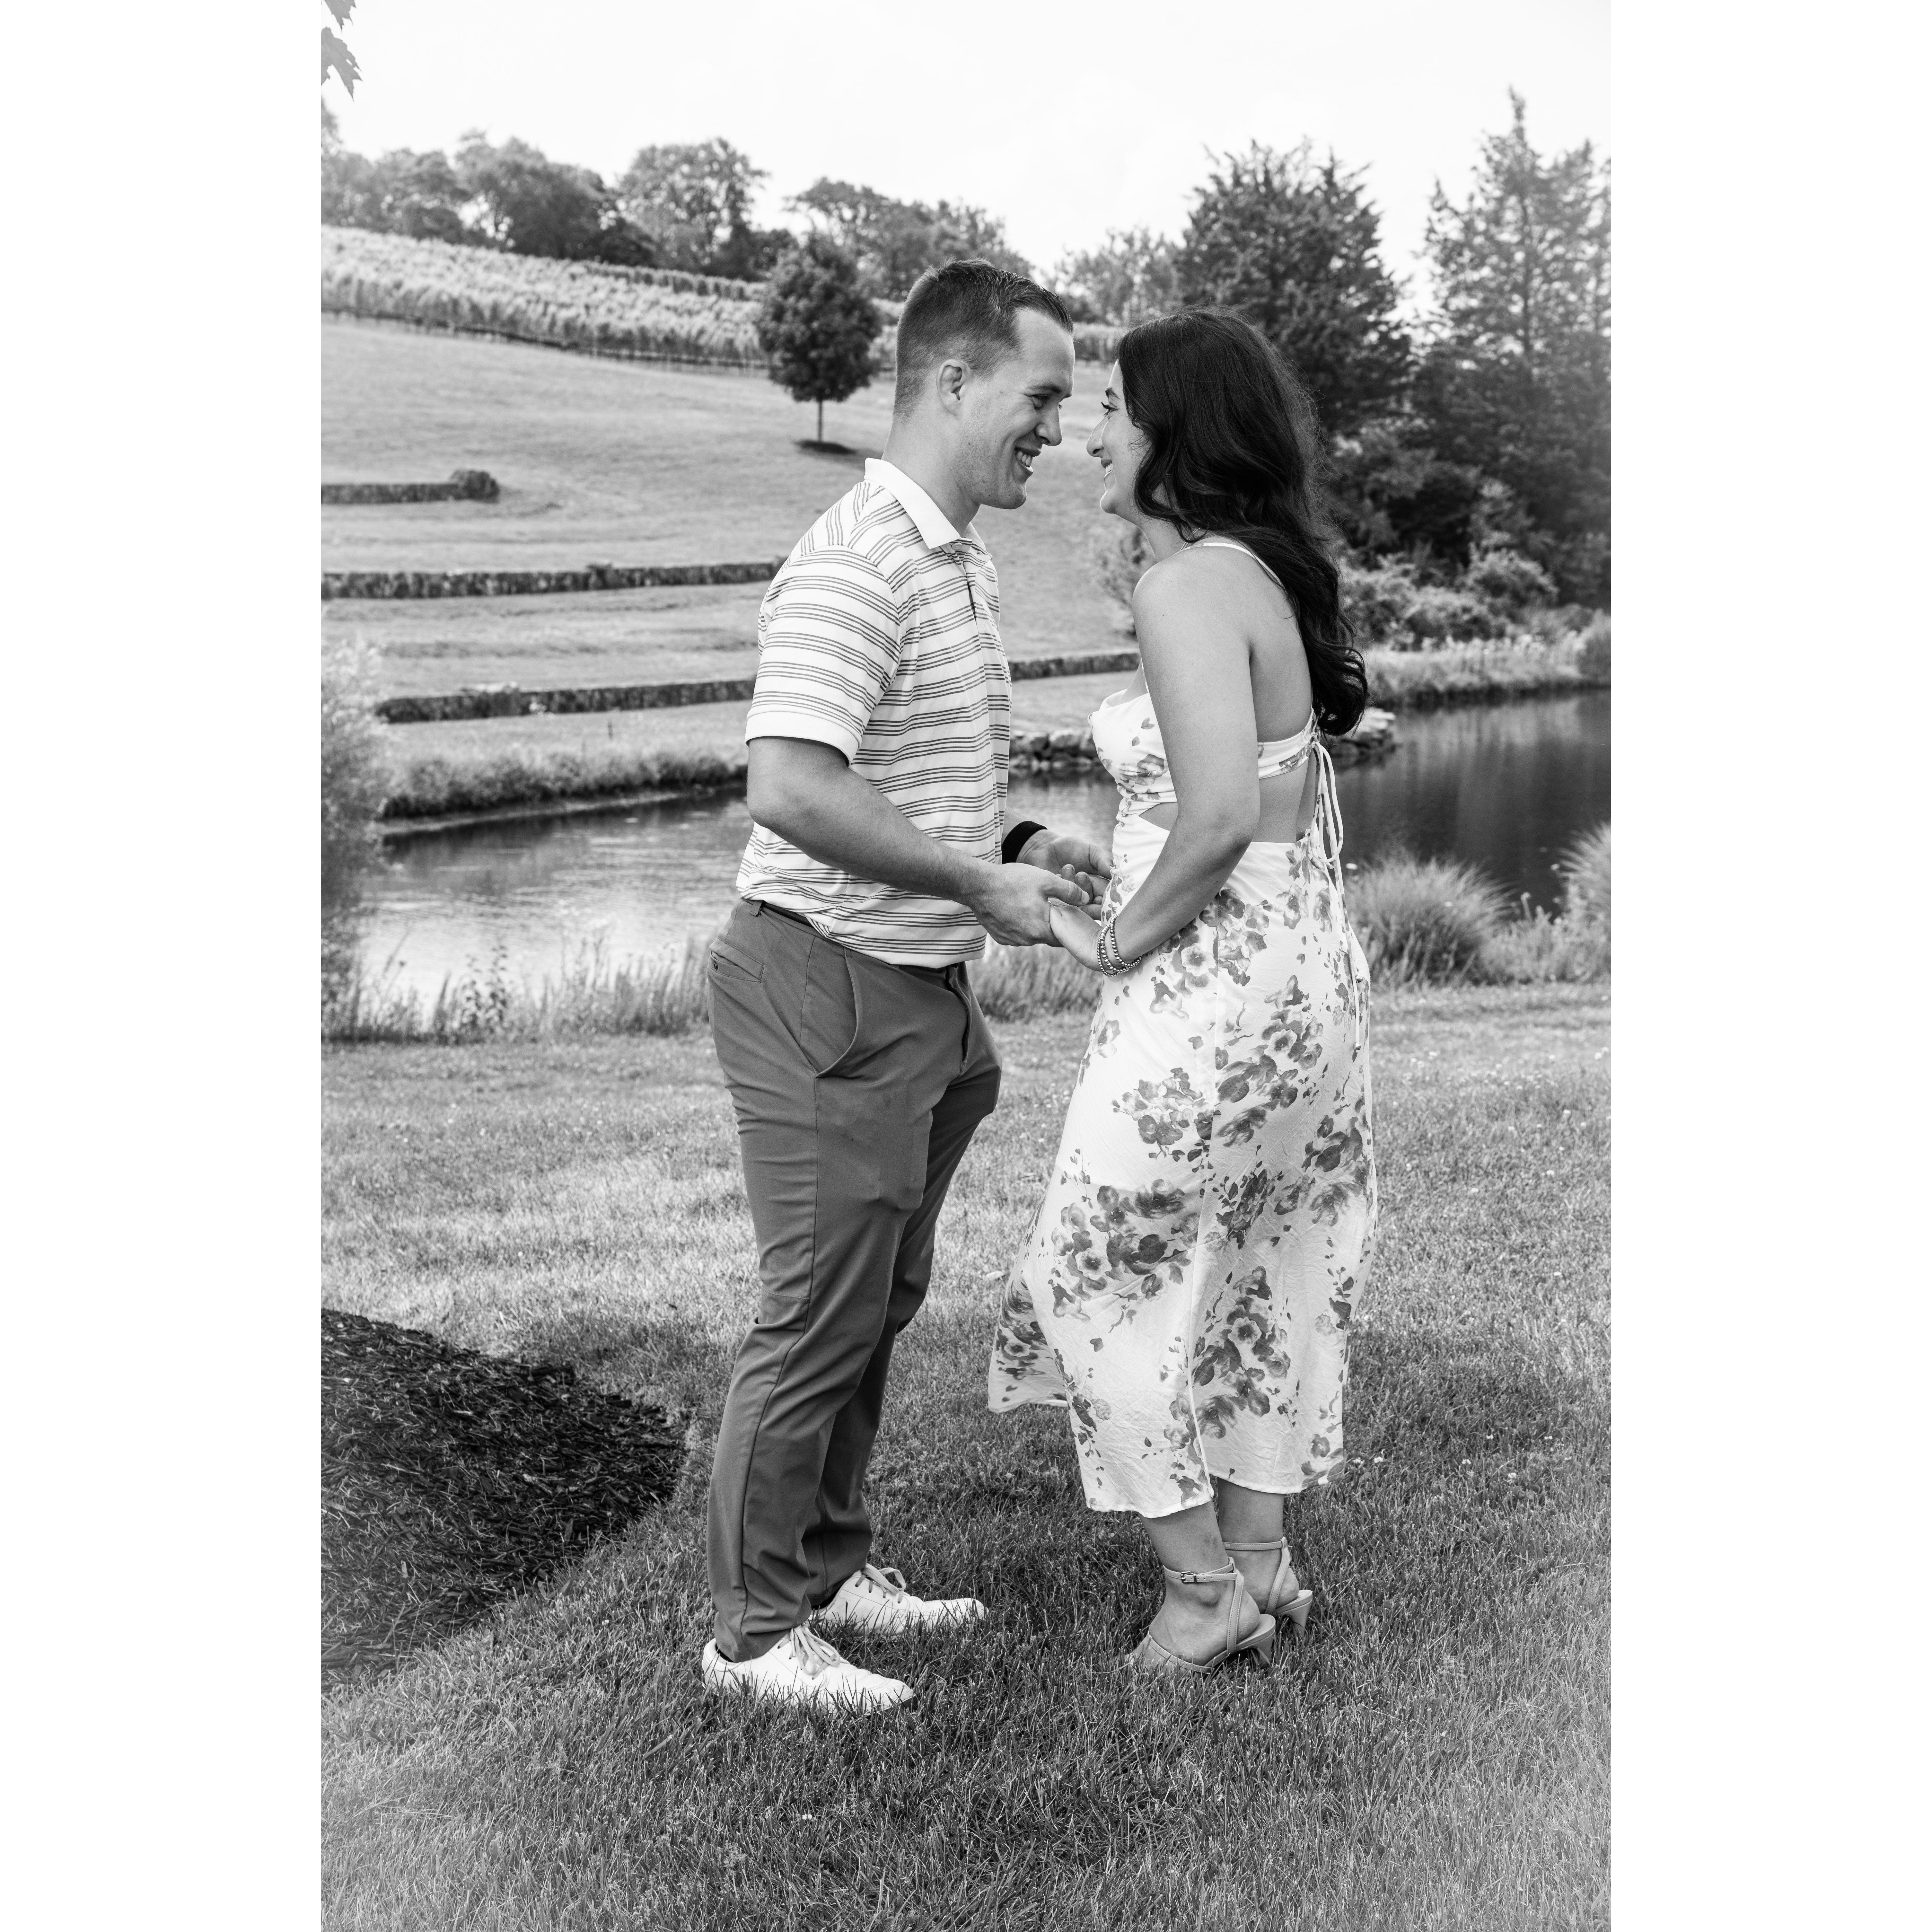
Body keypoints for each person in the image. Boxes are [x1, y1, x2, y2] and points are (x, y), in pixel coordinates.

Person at [702, 260, 1111, 1713]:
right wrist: (973, 885)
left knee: (877, 1300)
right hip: (824, 978)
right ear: (953, 380)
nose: (1057, 430)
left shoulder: (955, 560)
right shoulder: (857, 560)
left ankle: (827, 1569)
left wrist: (1016, 845)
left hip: (914, 982)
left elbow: (910, 782)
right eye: (1040, 397)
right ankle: (755, 1637)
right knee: (818, 1308)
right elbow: (791, 787)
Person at [988, 310, 1379, 1675]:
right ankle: (1262, 1563)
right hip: (1303, 981)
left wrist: (1114, 942)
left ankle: (1203, 1592)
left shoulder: (1185, 588)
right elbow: (1280, 806)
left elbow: (1214, 821)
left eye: (1112, 408)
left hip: (1212, 993)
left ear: (1173, 432)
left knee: (1087, 1267)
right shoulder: (1264, 575)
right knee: (1268, 1252)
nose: (1092, 433)